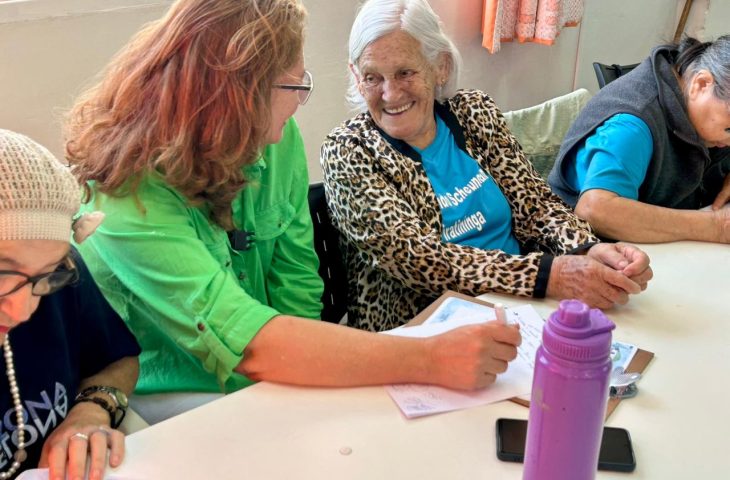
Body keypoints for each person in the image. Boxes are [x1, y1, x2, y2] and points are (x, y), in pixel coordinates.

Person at [65, 0, 522, 424]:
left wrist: (306, 386)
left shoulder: (275, 141)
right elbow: (245, 339)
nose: (300, 100)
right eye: (294, 85)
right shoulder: (124, 194)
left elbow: (298, 284)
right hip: (177, 397)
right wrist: (432, 358)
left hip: (274, 370)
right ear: (236, 93)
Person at [320, 0, 654, 332]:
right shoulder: (349, 151)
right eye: (372, 77)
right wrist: (548, 275)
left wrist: (587, 249)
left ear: (440, 66)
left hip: (525, 308)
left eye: (405, 73)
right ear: (356, 76)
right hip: (424, 329)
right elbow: (419, 259)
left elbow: (536, 205)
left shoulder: (472, 112)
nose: (390, 94)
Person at [0, 129, 140, 480]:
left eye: (48, 272)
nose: (23, 311)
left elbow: (118, 360)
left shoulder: (56, 279)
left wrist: (93, 408)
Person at [548, 36, 730, 243]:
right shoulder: (631, 127)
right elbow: (595, 210)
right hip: (580, 246)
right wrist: (716, 227)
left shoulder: (698, 93)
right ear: (701, 84)